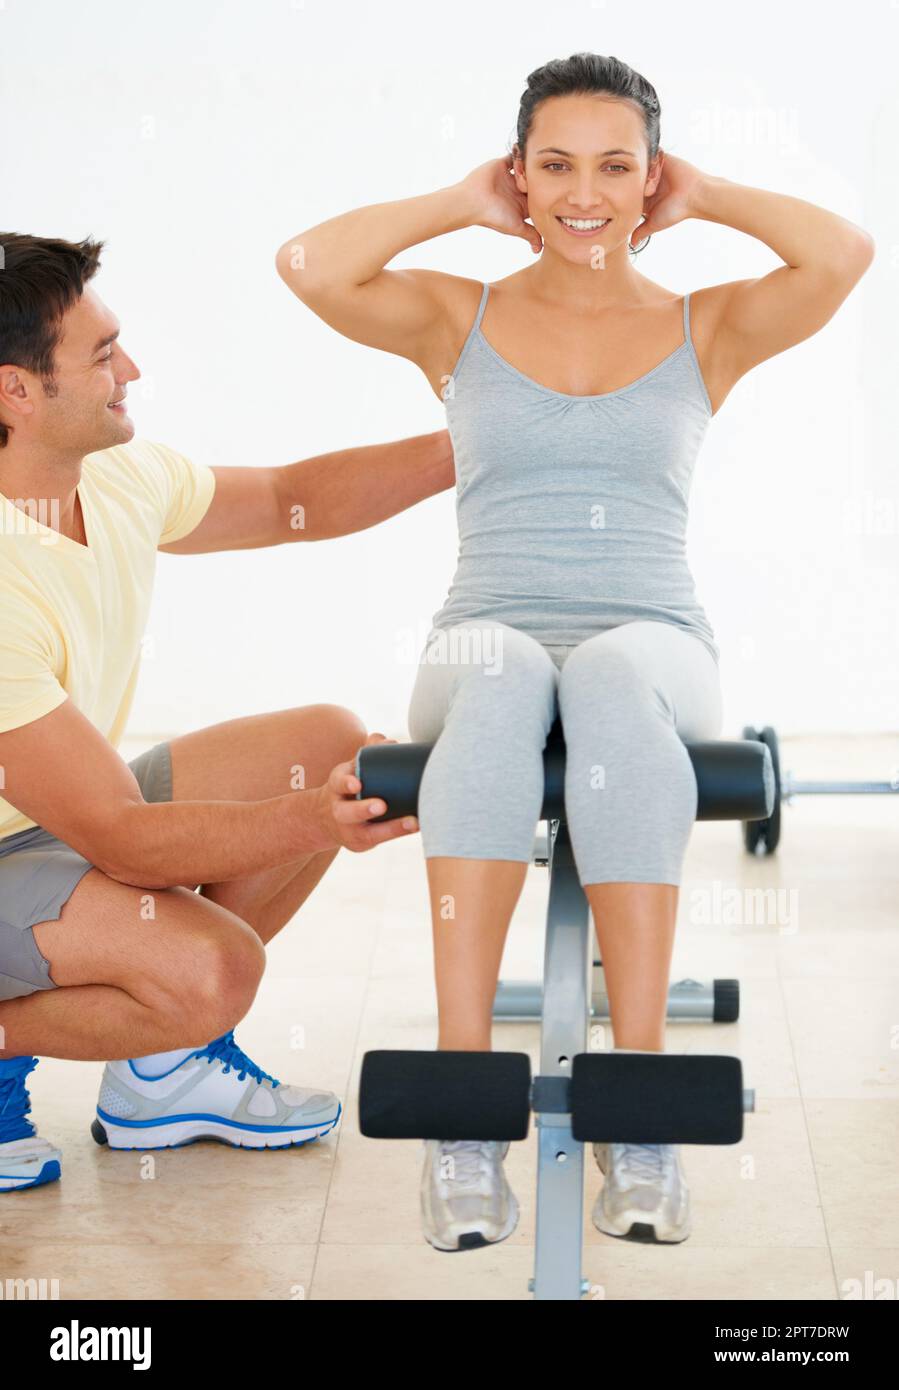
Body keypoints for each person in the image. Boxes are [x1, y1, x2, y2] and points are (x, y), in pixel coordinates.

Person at [276, 51, 875, 1251]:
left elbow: (841, 256)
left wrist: (708, 198)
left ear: (651, 178)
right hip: (483, 635)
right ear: (520, 174)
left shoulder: (706, 324)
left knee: (602, 671)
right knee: (503, 668)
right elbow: (309, 264)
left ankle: (636, 1105)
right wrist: (459, 201)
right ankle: (462, 1116)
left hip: (653, 644)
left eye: (615, 165)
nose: (583, 190)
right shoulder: (460, 312)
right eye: (553, 164)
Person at [0, 231, 454, 1190]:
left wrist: (480, 443)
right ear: (16, 391)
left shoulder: (111, 476)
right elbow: (124, 841)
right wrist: (313, 818)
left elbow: (296, 500)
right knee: (212, 974)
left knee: (322, 741)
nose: (132, 369)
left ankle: (161, 1078)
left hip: (52, 815)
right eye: (101, 355)